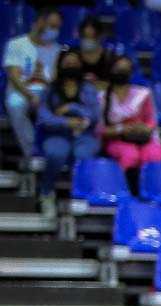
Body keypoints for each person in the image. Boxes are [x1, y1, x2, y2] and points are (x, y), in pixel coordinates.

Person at [5, 7, 62, 172]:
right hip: (21, 91)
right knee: (15, 104)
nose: (54, 31)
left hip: (46, 93)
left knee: (58, 105)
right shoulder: (16, 44)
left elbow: (54, 78)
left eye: (57, 27)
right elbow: (14, 76)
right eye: (52, 26)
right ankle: (32, 153)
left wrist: (43, 96)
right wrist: (30, 95)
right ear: (39, 22)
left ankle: (56, 154)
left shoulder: (57, 50)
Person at [36, 49, 98, 199]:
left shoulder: (88, 90)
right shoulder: (49, 90)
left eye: (74, 63)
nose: (71, 66)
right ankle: (46, 192)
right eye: (67, 63)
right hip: (56, 134)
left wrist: (72, 107)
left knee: (83, 155)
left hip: (84, 135)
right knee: (56, 153)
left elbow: (95, 116)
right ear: (60, 65)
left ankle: (80, 195)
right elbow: (44, 118)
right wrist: (66, 122)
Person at [99, 55, 161, 189]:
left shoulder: (142, 94)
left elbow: (150, 121)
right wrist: (122, 129)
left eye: (125, 69)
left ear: (131, 72)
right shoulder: (102, 97)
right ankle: (129, 192)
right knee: (130, 155)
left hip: (142, 138)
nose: (121, 72)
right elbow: (100, 129)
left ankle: (152, 191)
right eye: (118, 68)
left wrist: (144, 128)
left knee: (154, 153)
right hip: (117, 139)